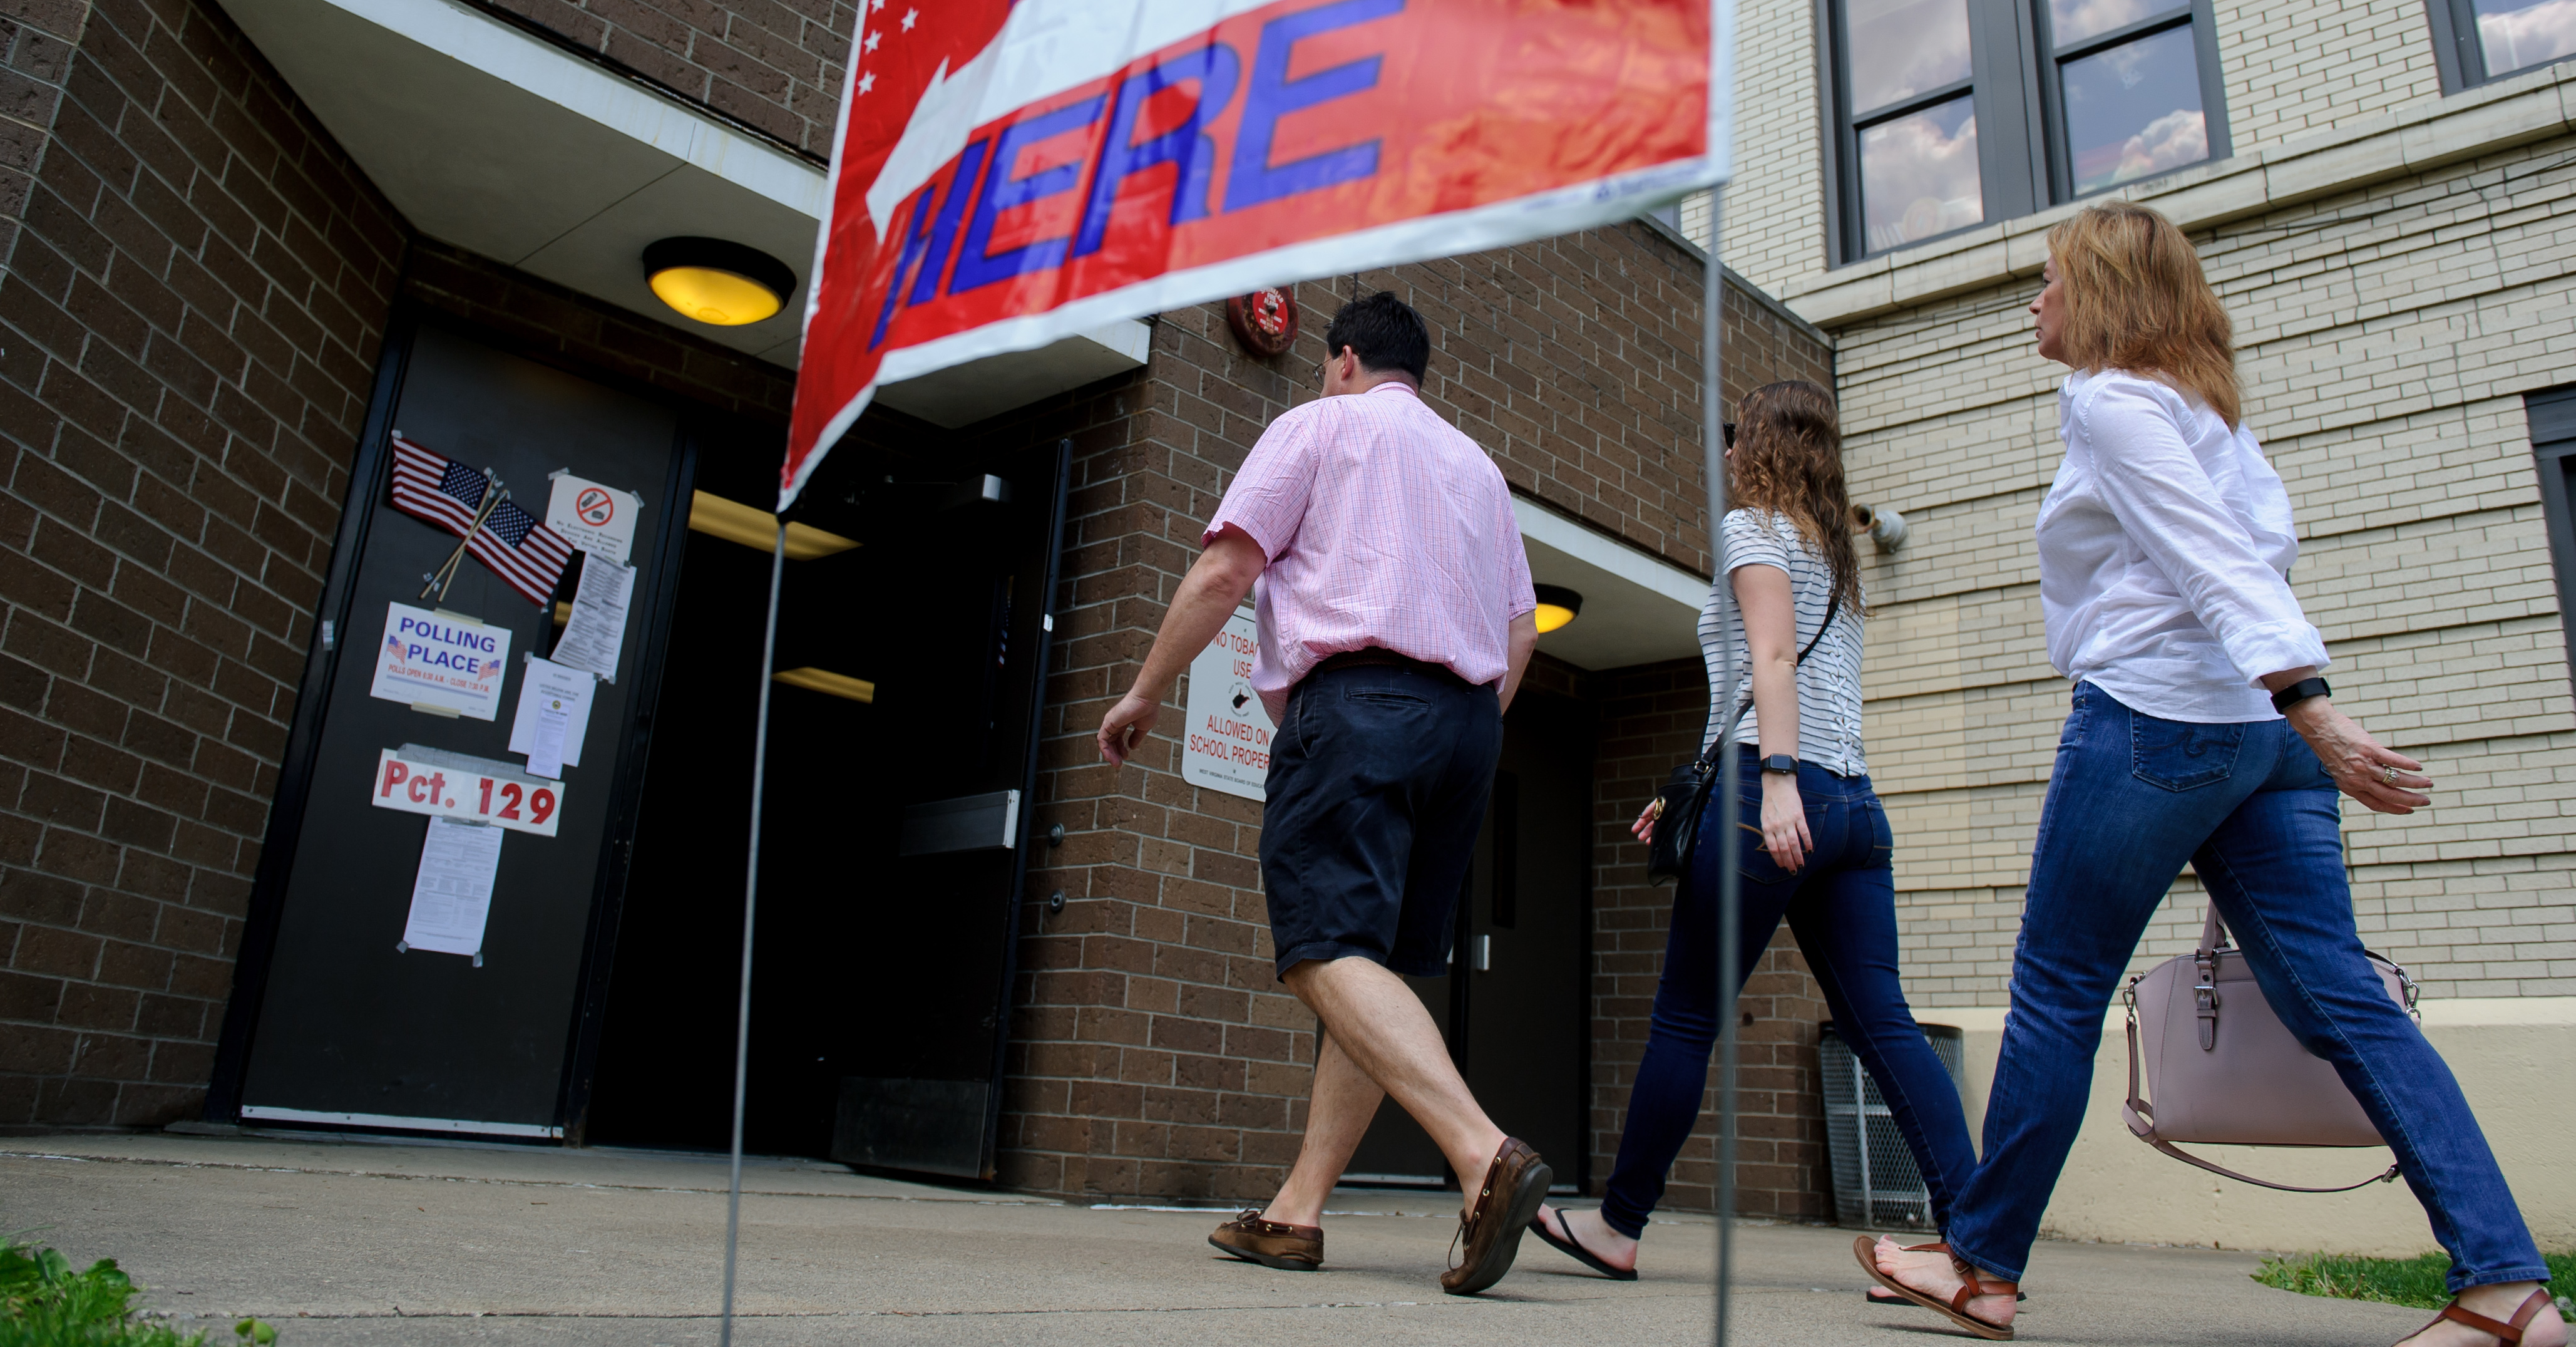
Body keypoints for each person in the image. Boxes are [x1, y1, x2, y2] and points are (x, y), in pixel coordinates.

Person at [1861, 200, 2560, 1347]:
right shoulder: (2208, 410)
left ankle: (1979, 1267)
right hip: (2259, 737)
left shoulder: (2111, 400)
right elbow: (2257, 550)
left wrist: (2314, 701)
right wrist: (2296, 714)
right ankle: (2506, 1287)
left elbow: (2216, 558)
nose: (2031, 301)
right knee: (2342, 1000)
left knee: (2054, 994)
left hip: (2161, 719)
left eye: (2048, 280)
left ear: (2100, 296)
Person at [1095, 291, 1551, 1298]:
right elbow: (1522, 629)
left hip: (1358, 704)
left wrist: (1144, 690)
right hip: (1469, 722)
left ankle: (1483, 1156)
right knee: (1377, 958)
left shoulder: (1316, 426)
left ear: (1343, 358)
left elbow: (1227, 571)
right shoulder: (1476, 466)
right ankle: (1298, 1210)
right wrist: (1464, 721)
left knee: (1322, 948)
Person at [1527, 380, 1977, 1283]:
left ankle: (1618, 1227)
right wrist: (1692, 787)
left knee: (1685, 1019)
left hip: (1778, 788)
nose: (1726, 451)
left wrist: (1770, 783)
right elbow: (1764, 675)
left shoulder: (1753, 530)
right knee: (1884, 1021)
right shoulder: (1836, 553)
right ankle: (1980, 1238)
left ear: (1765, 444)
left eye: (1738, 437)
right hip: (1855, 803)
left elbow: (1771, 659)